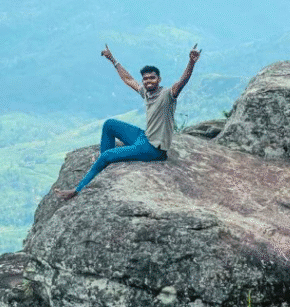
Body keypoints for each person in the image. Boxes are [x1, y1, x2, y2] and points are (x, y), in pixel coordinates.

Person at [54, 43, 202, 200]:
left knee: (107, 155)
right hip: (144, 137)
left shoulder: (167, 95)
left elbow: (182, 81)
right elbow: (128, 79)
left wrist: (191, 62)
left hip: (153, 149)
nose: (148, 81)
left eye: (152, 78)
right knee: (110, 124)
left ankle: (77, 190)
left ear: (159, 79)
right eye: (145, 79)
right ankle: (105, 162)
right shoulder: (146, 92)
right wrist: (112, 59)